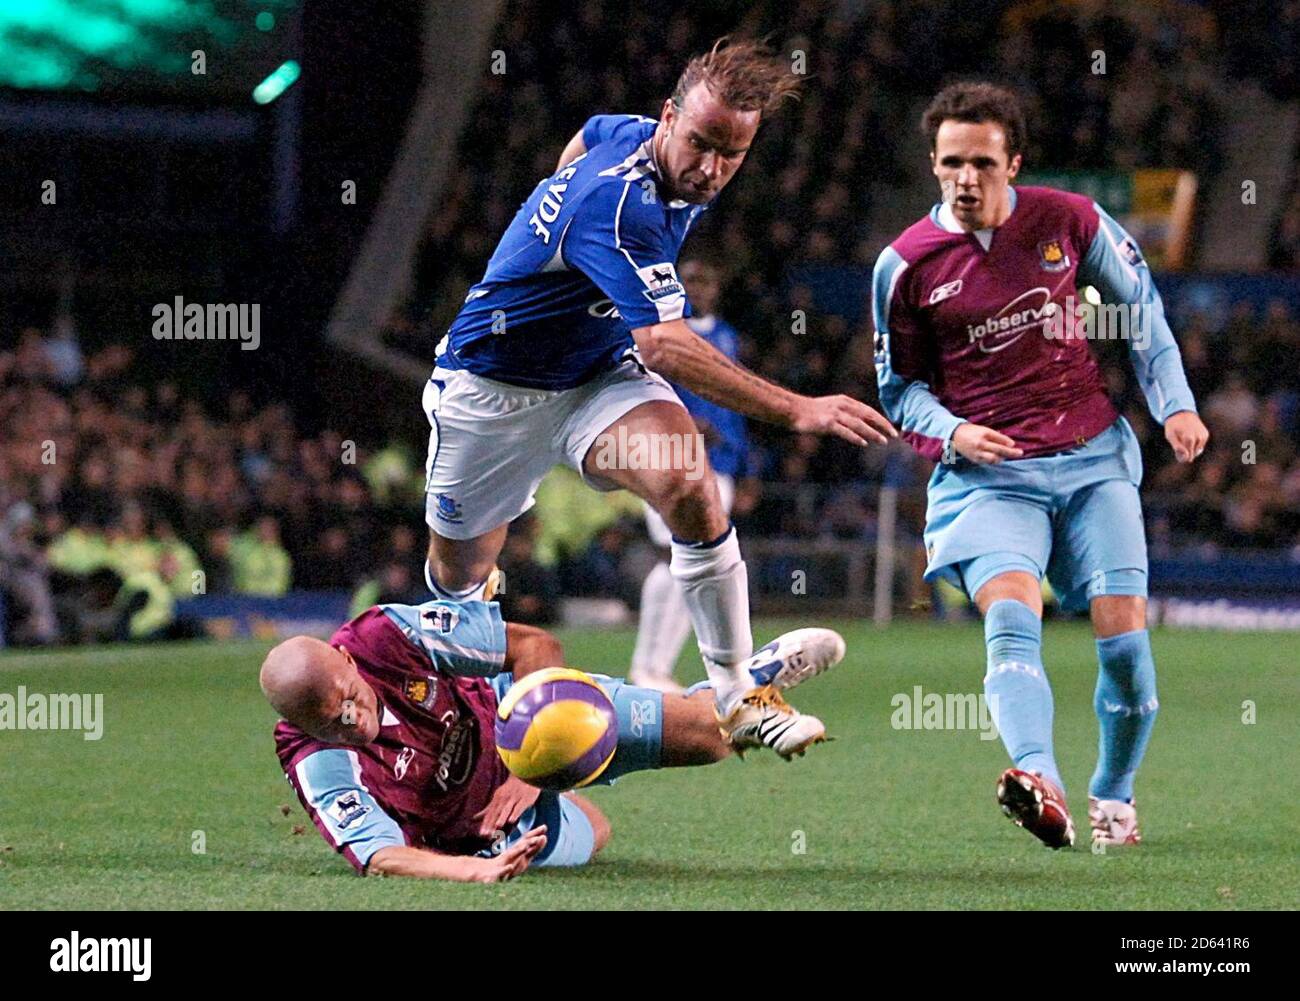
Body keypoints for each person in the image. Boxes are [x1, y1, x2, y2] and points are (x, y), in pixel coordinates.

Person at [422, 38, 894, 759]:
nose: (710, 169)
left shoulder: (633, 133)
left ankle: (739, 692)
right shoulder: (619, 207)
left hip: (594, 377)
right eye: (701, 143)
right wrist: (799, 408)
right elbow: (666, 346)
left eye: (731, 154)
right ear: (672, 116)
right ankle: (455, 722)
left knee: (687, 479)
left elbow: (587, 133)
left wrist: (565, 271)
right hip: (489, 393)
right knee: (458, 584)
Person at [872, 82, 1210, 850]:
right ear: (933, 164)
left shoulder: (1069, 220)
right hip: (991, 476)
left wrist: (1177, 405)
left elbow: (1142, 311)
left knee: (1125, 645)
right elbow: (899, 391)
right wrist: (954, 432)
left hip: (1092, 457)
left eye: (982, 162)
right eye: (951, 162)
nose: (966, 177)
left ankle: (1113, 796)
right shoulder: (905, 265)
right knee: (1011, 616)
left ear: (1013, 162)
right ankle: (1039, 781)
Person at [259, 598, 844, 881]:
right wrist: (476, 873)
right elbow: (377, 855)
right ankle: (745, 688)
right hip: (482, 832)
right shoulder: (314, 759)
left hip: (528, 719)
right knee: (598, 830)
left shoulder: (384, 635)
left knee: (710, 742)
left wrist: (529, 767)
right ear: (302, 729)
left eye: (351, 700)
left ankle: (753, 681)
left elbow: (536, 646)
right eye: (331, 723)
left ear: (343, 658)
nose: (352, 722)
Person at [629, 257, 751, 693]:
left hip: (719, 465)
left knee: (699, 561)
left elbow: (737, 405)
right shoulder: (659, 336)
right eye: (691, 281)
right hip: (668, 459)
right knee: (675, 557)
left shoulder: (727, 337)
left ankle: (657, 669)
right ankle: (648, 665)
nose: (698, 289)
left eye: (706, 281)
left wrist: (745, 465)